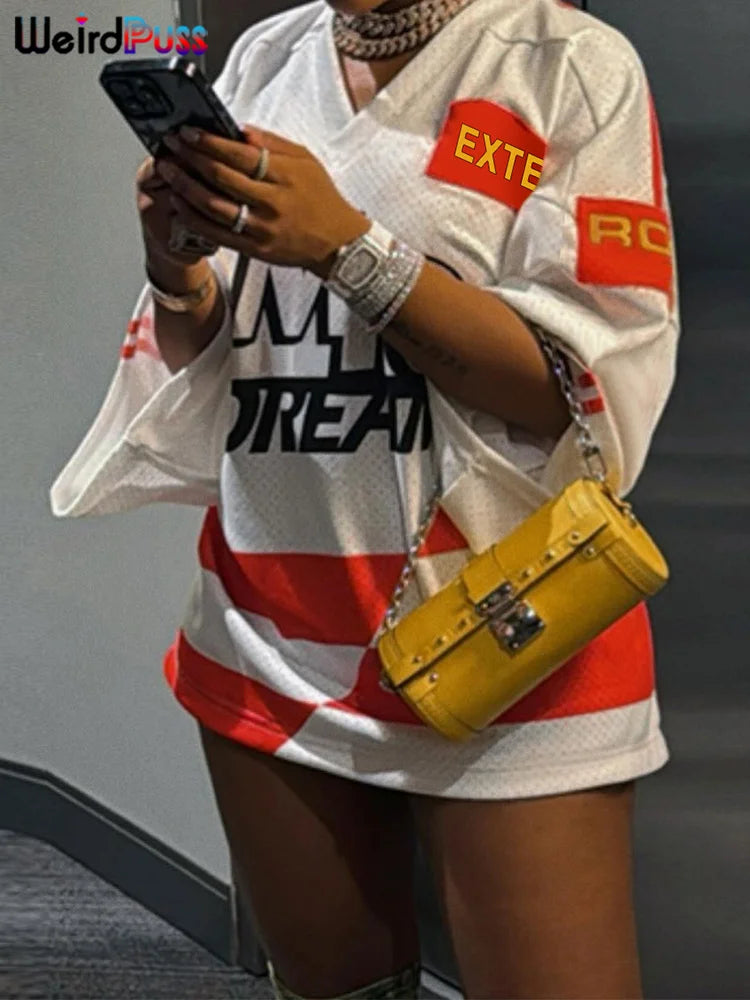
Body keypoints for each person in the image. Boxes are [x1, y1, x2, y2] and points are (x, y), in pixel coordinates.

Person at [50, 0, 680, 996]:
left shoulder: (566, 61)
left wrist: (346, 248)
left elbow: (577, 393)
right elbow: (214, 358)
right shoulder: (268, 56)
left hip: (516, 632)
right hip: (270, 632)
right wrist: (174, 266)